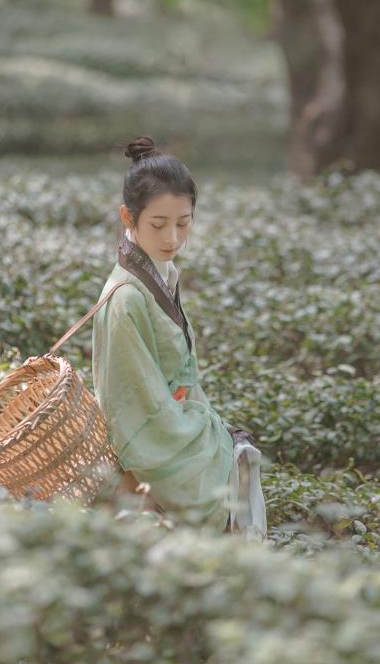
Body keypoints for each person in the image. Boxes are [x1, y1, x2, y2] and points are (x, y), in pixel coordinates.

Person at [91, 135, 265, 537]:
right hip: (153, 455)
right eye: (158, 224)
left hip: (180, 426)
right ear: (127, 217)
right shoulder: (125, 298)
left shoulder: (160, 275)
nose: (172, 238)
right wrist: (210, 438)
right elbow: (134, 409)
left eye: (183, 224)